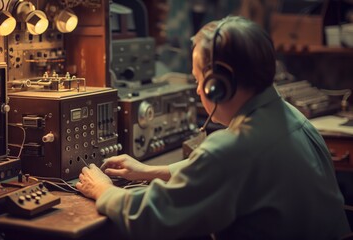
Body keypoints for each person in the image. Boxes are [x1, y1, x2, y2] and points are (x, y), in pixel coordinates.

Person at [76, 16, 351, 240]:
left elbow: (150, 218)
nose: (198, 89)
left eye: (199, 80)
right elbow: (228, 172)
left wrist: (104, 190)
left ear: (217, 86)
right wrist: (152, 171)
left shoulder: (232, 149)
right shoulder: (293, 117)